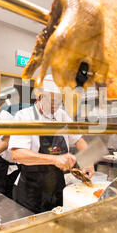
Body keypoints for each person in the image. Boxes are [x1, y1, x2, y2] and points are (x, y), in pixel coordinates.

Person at [8, 75, 95, 213]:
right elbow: (17, 154)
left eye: (59, 103)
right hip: (31, 191)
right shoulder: (24, 116)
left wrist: (89, 160)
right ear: (39, 97)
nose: (56, 107)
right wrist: (54, 159)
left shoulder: (62, 115)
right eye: (52, 102)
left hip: (57, 189)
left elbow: (78, 139)